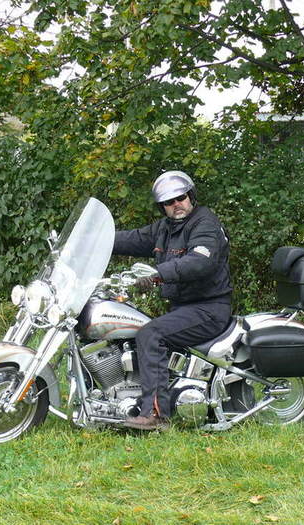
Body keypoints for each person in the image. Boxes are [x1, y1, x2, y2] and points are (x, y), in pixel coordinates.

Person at [112, 170, 232, 430]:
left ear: (191, 196)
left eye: (181, 197)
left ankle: (155, 415)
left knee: (151, 333)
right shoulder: (165, 228)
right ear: (162, 206)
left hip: (209, 309)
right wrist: (96, 238)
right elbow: (133, 239)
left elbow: (199, 262)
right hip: (184, 308)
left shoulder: (205, 224)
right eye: (169, 201)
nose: (177, 204)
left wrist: (158, 274)